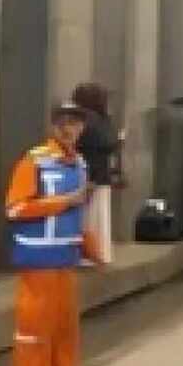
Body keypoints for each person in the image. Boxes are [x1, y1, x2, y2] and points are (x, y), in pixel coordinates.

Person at [5, 101, 100, 366]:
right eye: (64, 121)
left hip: (65, 263)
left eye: (75, 122)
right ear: (53, 125)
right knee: (33, 338)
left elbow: (80, 213)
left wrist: (90, 247)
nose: (70, 128)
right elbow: (15, 209)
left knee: (64, 334)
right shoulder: (34, 162)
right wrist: (63, 201)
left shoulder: (81, 165)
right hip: (38, 266)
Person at [71, 83, 117, 265]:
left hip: (87, 173)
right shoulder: (100, 120)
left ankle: (89, 254)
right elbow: (108, 143)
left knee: (87, 217)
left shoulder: (85, 120)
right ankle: (97, 253)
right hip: (99, 174)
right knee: (97, 218)